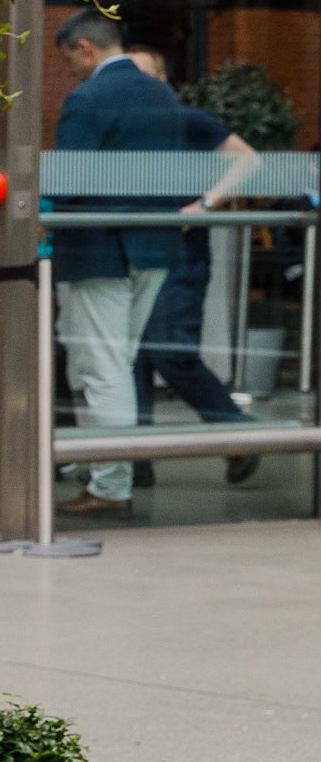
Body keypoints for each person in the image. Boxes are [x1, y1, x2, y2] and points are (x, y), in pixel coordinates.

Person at [45, 11, 257, 516]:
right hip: (157, 249)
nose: (69, 69)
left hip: (100, 249)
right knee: (119, 363)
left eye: (68, 57)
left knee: (105, 370)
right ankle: (111, 476)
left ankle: (110, 485)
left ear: (84, 47)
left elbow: (66, 182)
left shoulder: (88, 98)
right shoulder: (163, 95)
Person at [119, 47, 259, 486]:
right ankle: (135, 464)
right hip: (137, 252)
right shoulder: (129, 128)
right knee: (135, 356)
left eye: (142, 75)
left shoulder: (187, 119)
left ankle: (238, 435)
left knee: (170, 352)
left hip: (181, 255)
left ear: (162, 78)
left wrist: (203, 205)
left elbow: (248, 160)